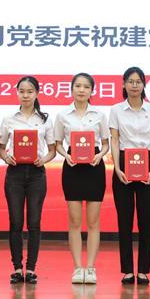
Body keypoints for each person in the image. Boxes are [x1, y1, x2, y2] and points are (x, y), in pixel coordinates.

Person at [0, 76, 56, 284]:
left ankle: (31, 269)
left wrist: (43, 160)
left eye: (30, 91)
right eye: (21, 91)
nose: (25, 95)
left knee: (34, 222)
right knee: (15, 221)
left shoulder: (45, 120)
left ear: (37, 93)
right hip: (14, 173)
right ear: (17, 93)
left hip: (36, 174)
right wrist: (6, 158)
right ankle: (16, 267)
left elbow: (52, 150)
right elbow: (1, 148)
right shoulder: (8, 119)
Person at [109, 66, 150, 285]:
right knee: (124, 220)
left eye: (138, 81)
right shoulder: (116, 110)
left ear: (143, 84)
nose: (134, 85)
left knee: (145, 220)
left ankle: (143, 270)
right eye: (130, 81)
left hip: (146, 163)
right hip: (123, 163)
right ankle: (127, 270)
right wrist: (117, 167)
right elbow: (114, 139)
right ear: (123, 84)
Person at [54, 73, 110, 284]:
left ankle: (91, 268)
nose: (81, 90)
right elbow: (58, 143)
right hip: (72, 167)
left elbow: (105, 143)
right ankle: (78, 268)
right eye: (77, 86)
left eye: (86, 87)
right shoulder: (63, 115)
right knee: (75, 221)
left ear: (92, 91)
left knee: (93, 221)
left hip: (94, 167)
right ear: (71, 89)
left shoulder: (99, 115)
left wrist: (100, 155)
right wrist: (66, 155)